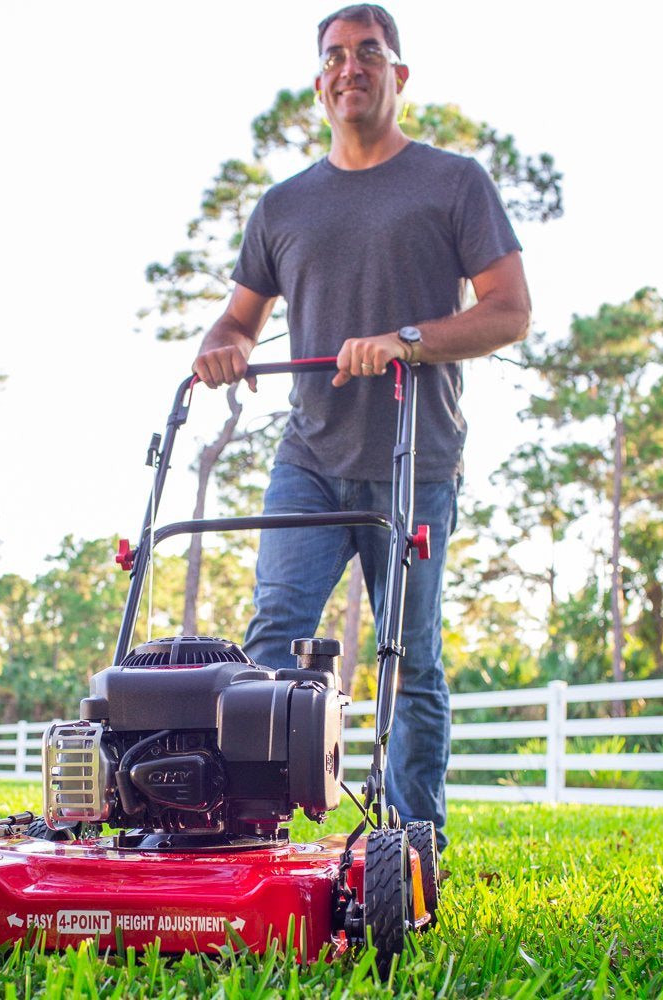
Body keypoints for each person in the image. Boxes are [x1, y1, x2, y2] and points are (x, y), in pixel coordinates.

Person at [191, 3, 530, 850]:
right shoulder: (284, 206)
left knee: (409, 660)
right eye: (336, 56)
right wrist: (221, 348)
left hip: (416, 459)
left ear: (398, 75)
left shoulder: (454, 184)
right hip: (308, 454)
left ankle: (415, 845)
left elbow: (510, 311)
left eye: (369, 53)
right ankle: (250, 832)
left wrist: (408, 341)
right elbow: (235, 320)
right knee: (270, 639)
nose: (351, 68)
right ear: (319, 83)